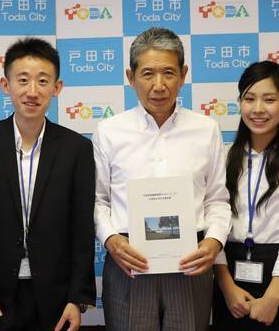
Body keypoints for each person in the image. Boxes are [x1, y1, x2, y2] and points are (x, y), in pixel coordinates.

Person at [93, 27, 231, 330]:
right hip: (129, 261)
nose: (159, 85)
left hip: (191, 262)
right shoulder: (109, 131)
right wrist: (112, 241)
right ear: (131, 77)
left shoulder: (206, 129)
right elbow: (98, 200)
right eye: (147, 74)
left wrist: (214, 241)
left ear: (183, 75)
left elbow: (217, 199)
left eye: (168, 73)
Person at [0, 37, 96, 331]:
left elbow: (82, 229)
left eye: (43, 81)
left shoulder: (76, 149)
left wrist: (77, 298)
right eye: (22, 80)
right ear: (5, 85)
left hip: (55, 297)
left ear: (57, 88)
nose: (32, 91)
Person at [212, 61, 279, 329]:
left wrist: (272, 299)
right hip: (230, 279)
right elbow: (211, 225)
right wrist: (226, 286)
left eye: (269, 99)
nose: (258, 109)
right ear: (240, 103)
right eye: (249, 99)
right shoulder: (221, 159)